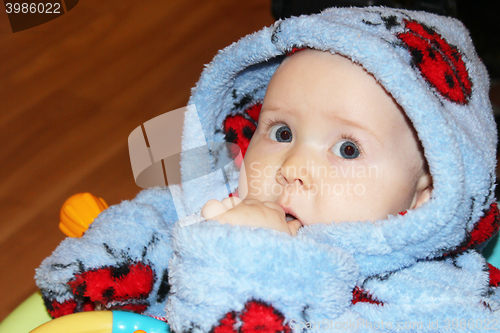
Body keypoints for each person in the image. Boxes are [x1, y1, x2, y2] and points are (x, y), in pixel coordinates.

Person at [36, 6, 500, 332]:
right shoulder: (223, 199)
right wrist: (107, 256)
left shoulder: (439, 300)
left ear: (428, 191)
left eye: (348, 149)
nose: (293, 167)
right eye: (280, 133)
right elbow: (155, 219)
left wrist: (246, 259)